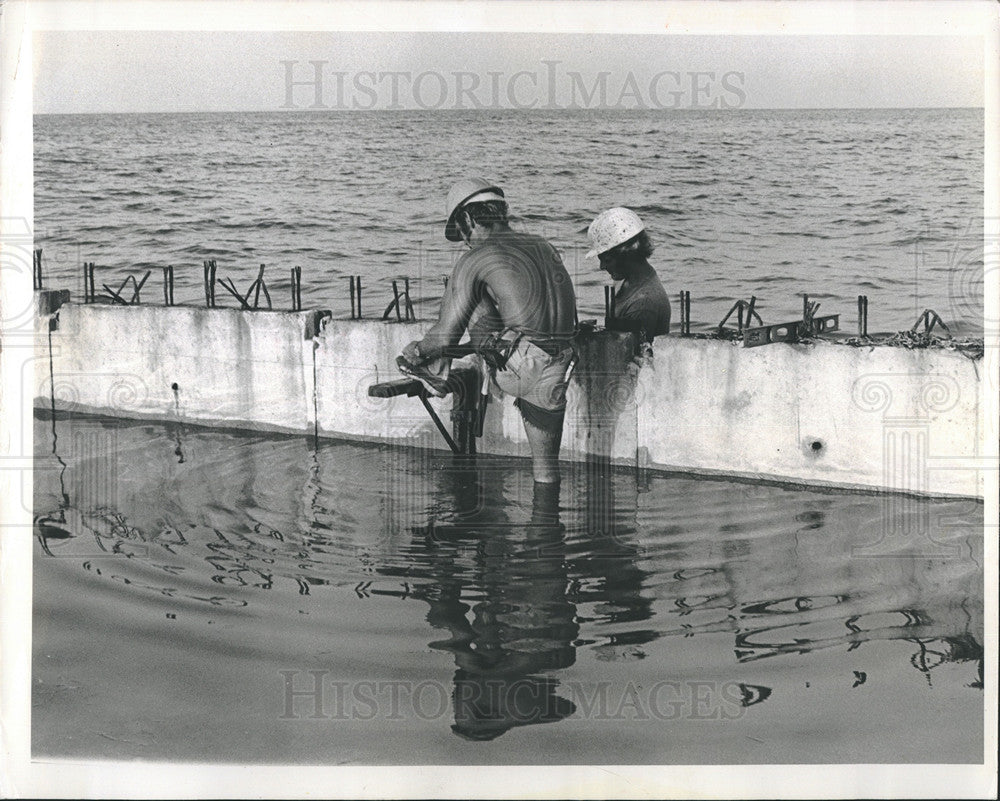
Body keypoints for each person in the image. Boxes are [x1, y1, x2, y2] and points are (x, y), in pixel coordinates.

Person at [399, 178, 577, 483]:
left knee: (463, 287)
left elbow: (445, 334)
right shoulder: (543, 244)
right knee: (546, 473)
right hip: (563, 360)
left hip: (522, 368)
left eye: (461, 229)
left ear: (468, 218)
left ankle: (436, 371)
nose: (465, 241)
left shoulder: (476, 257)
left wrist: (416, 350)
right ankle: (549, 525)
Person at [586, 207, 671, 343]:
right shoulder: (629, 281)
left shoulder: (642, 304)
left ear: (627, 255)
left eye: (607, 260)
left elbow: (627, 358)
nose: (602, 267)